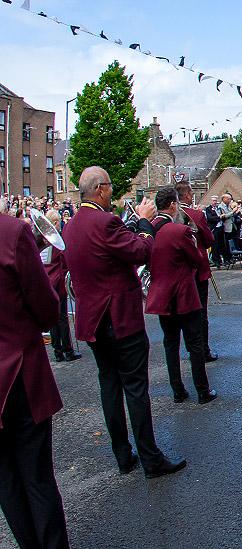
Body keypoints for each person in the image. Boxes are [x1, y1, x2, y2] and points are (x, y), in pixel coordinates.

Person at [62, 166, 186, 478]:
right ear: (101, 189)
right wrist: (145, 220)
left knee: (109, 385)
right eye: (110, 187)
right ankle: (150, 458)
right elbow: (142, 250)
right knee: (135, 387)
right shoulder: (106, 221)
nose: (112, 193)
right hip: (118, 317)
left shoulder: (71, 224)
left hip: (92, 319)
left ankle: (122, 454)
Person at [0, 212, 70, 549]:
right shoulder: (12, 231)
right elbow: (46, 309)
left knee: (6, 479)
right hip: (17, 373)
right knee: (36, 474)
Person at [148, 187, 217, 405]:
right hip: (183, 295)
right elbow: (197, 259)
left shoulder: (147, 229)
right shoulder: (178, 230)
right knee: (194, 344)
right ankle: (202, 391)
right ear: (172, 205)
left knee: (170, 344)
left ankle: (177, 390)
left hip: (161, 295)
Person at [176, 183, 219, 363]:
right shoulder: (196, 215)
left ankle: (189, 347)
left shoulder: (167, 217)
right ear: (186, 196)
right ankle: (203, 350)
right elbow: (209, 240)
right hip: (197, 268)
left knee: (182, 312)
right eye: (191, 193)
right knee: (200, 312)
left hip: (177, 271)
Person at [41, 209, 82, 363]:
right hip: (57, 281)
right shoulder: (56, 240)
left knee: (53, 319)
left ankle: (57, 350)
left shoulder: (42, 239)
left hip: (47, 281)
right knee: (62, 318)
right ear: (56, 222)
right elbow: (64, 260)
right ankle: (68, 350)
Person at [216, 194, 236, 265]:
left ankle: (230, 258)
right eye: (228, 199)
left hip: (231, 227)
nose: (230, 200)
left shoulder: (229, 206)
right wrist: (233, 212)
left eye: (230, 199)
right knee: (225, 244)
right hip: (225, 227)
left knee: (229, 244)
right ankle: (226, 259)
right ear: (224, 199)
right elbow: (224, 216)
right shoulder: (220, 207)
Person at [204, 196, 221, 265]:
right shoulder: (208, 209)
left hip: (220, 227)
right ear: (211, 201)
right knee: (215, 245)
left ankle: (219, 259)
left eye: (216, 201)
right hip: (214, 228)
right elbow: (210, 218)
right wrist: (219, 217)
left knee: (220, 244)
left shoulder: (218, 208)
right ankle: (215, 260)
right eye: (214, 201)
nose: (215, 202)